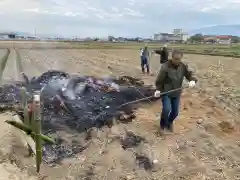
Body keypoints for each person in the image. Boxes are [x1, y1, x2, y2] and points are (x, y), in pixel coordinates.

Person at [154, 49, 197, 135]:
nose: (177, 61)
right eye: (175, 59)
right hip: (166, 92)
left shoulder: (182, 66)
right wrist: (158, 90)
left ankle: (169, 122)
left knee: (175, 112)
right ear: (172, 58)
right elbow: (159, 80)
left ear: (181, 58)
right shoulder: (165, 67)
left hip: (176, 93)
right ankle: (162, 126)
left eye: (179, 59)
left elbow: (189, 75)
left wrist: (192, 80)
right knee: (166, 109)